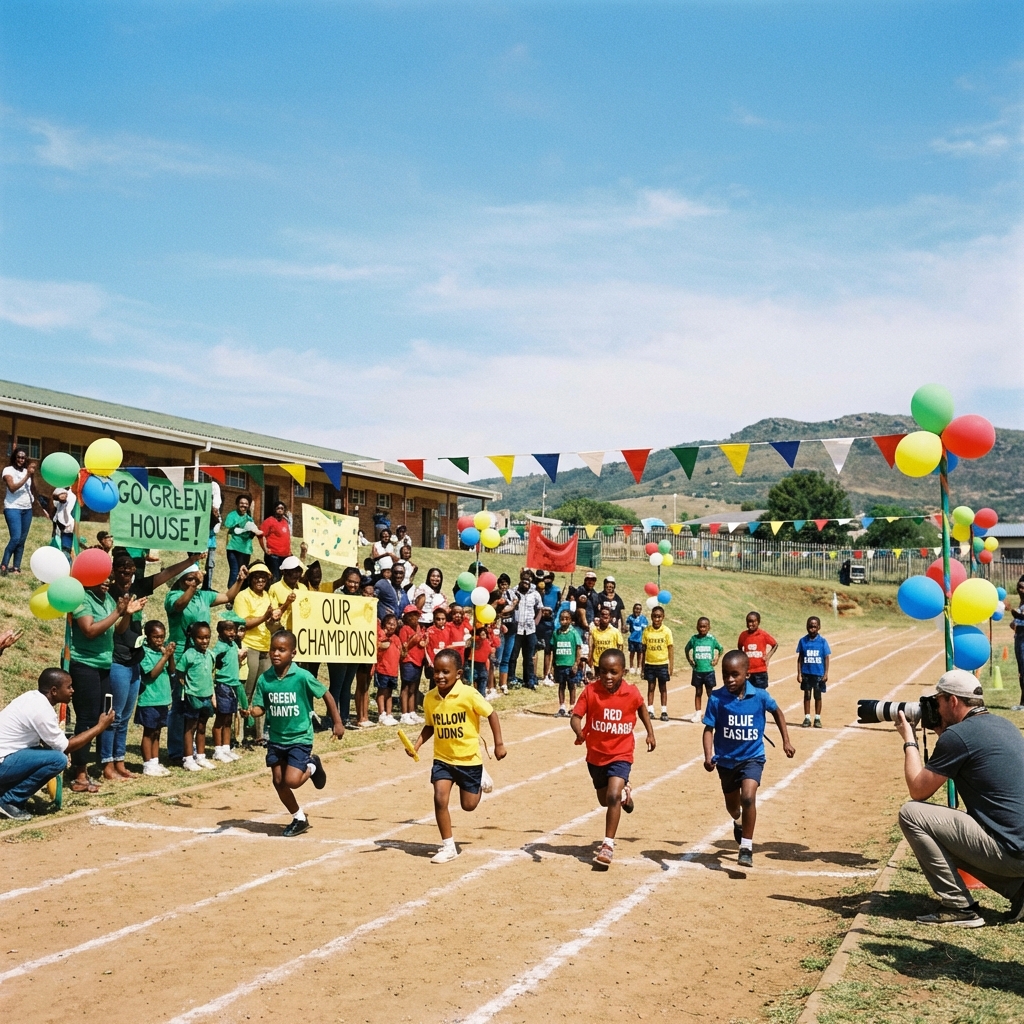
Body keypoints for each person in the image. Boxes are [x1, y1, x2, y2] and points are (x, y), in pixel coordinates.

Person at [895, 669, 1024, 927]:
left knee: (912, 814)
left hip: (1012, 853)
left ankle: (958, 907)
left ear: (953, 701)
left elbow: (918, 790)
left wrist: (909, 740)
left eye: (939, 701)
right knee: (962, 832)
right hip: (1018, 847)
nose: (935, 707)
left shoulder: (959, 737)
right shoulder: (1004, 724)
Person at [406, 648, 506, 864]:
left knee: (468, 805)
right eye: (436, 672)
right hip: (442, 759)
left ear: (458, 674)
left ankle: (479, 778)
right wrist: (417, 745)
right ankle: (448, 846)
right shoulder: (430, 698)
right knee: (439, 798)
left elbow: (491, 714)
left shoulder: (469, 694)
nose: (440, 676)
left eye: (445, 672)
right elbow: (430, 726)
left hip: (468, 760)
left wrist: (498, 744)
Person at [105, 549, 195, 781]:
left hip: (133, 660)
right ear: (114, 570)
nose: (127, 571)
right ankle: (107, 764)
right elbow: (118, 630)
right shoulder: (110, 592)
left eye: (131, 568)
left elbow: (165, 574)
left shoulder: (137, 589)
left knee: (124, 717)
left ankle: (120, 761)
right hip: (116, 660)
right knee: (112, 716)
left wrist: (190, 560)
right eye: (122, 567)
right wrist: (125, 612)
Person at [702, 650, 795, 868]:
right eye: (725, 675)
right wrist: (708, 756)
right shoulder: (717, 698)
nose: (729, 679)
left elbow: (778, 712)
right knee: (734, 808)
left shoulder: (760, 696)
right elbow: (708, 729)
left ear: (748, 674)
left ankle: (746, 847)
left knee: (748, 798)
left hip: (752, 757)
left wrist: (786, 741)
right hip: (725, 761)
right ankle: (738, 821)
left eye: (735, 674)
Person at [249, 629, 345, 837]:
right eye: (273, 649)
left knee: (292, 781)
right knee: (278, 781)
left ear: (293, 653)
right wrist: (251, 711)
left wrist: (337, 722)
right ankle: (299, 817)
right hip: (276, 738)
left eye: (282, 650)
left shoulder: (302, 676)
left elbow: (325, 694)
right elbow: (260, 708)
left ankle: (312, 764)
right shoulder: (265, 679)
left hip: (299, 737)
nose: (276, 653)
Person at [571, 648, 656, 869]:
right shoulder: (591, 691)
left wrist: (650, 732)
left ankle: (608, 845)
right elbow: (576, 716)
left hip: (621, 753)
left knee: (612, 795)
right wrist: (578, 730)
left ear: (623, 672)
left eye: (613, 672)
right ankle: (625, 796)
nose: (608, 677)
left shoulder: (632, 692)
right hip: (596, 755)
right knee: (604, 799)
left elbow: (642, 709)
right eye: (603, 672)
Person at [0, 668, 116, 820]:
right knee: (57, 759)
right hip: (4, 762)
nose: (72, 690)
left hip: (7, 757)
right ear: (54, 690)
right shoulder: (41, 710)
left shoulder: (32, 698)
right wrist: (100, 727)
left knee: (45, 753)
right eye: (69, 687)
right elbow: (65, 747)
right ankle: (9, 801)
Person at [69, 575, 145, 792]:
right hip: (85, 665)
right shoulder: (82, 599)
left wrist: (126, 615)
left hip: (104, 666)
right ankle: (80, 775)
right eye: (101, 577)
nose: (106, 582)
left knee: (101, 717)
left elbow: (118, 630)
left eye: (108, 578)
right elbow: (90, 631)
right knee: (87, 718)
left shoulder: (109, 600)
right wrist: (118, 612)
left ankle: (90, 769)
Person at [234, 563, 280, 736]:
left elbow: (272, 621)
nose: (260, 579)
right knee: (247, 690)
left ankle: (259, 734)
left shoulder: (268, 596)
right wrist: (264, 617)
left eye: (263, 576)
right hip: (249, 646)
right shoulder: (242, 596)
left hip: (266, 648)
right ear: (250, 579)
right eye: (256, 576)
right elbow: (243, 622)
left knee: (263, 691)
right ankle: (240, 734)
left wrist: (274, 620)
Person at [137, 621, 175, 776]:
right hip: (149, 699)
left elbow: (172, 671)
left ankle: (155, 761)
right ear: (148, 636)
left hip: (163, 698)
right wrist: (165, 657)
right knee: (149, 732)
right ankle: (147, 764)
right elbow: (152, 674)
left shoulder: (162, 651)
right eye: (156, 637)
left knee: (157, 732)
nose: (159, 640)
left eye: (162, 637)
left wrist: (169, 655)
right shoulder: (143, 652)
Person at [178, 622, 217, 771]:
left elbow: (210, 674)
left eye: (207, 637)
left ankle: (201, 757)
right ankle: (188, 759)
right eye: (200, 638)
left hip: (206, 696)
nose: (204, 641)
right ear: (194, 638)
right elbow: (180, 673)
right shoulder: (189, 654)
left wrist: (212, 695)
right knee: (190, 727)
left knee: (202, 726)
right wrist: (187, 689)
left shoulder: (210, 655)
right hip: (192, 696)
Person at [212, 615, 246, 762]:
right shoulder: (219, 647)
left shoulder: (233, 645)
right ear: (220, 631)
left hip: (233, 685)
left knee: (229, 718)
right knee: (221, 718)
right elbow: (213, 662)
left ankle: (226, 748)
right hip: (223, 686)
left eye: (233, 630)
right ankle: (217, 750)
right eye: (228, 630)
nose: (232, 633)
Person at [2, 445, 37, 574]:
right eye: (18, 457)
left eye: (23, 458)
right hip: (13, 508)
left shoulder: (26, 472)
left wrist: (32, 476)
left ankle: (16, 567)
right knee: (15, 538)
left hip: (27, 509)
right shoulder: (8, 470)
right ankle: (4, 565)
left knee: (22, 540)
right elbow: (12, 488)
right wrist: (28, 475)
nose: (21, 460)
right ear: (14, 457)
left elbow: (33, 490)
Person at [508, 569, 544, 689]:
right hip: (516, 629)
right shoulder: (513, 592)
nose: (525, 583)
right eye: (523, 580)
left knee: (529, 656)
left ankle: (529, 679)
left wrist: (536, 622)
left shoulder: (535, 593)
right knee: (513, 656)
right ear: (520, 579)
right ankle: (511, 678)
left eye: (528, 581)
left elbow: (540, 608)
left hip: (530, 630)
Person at [684, 616, 723, 720]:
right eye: (700, 627)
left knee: (710, 692)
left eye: (705, 627)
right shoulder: (694, 639)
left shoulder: (712, 639)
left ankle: (711, 712)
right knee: (698, 692)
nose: (702, 629)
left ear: (709, 627)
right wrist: (690, 660)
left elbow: (720, 648)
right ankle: (698, 713)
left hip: (709, 671)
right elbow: (686, 649)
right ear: (697, 627)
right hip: (697, 671)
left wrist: (716, 659)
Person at [796, 616, 831, 728]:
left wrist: (825, 673)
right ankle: (807, 717)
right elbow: (800, 658)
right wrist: (799, 673)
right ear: (807, 627)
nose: (812, 629)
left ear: (819, 627)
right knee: (807, 695)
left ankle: (817, 718)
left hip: (818, 674)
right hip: (806, 672)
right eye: (810, 626)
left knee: (817, 695)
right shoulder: (803, 641)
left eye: (814, 627)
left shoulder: (822, 642)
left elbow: (826, 658)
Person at [640, 605, 673, 722]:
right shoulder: (647, 631)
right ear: (651, 617)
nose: (657, 619)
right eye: (654, 616)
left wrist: (671, 666)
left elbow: (670, 649)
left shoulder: (667, 631)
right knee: (651, 687)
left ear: (663, 617)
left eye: (659, 617)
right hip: (650, 663)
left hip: (662, 663)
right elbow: (643, 650)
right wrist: (642, 667)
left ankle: (664, 711)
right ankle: (650, 710)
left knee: (662, 687)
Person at [223, 494, 261, 590]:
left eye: (246, 504)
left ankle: (240, 594)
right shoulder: (232, 515)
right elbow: (227, 526)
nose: (243, 505)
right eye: (241, 503)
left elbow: (251, 535)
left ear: (248, 505)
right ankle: (230, 597)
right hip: (233, 547)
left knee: (243, 572)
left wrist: (252, 533)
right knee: (235, 571)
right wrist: (242, 524)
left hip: (246, 549)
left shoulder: (249, 518)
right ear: (237, 504)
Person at [398, 607, 427, 726]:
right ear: (406, 617)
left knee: (414, 687)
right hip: (408, 661)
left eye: (415, 615)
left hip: (418, 661)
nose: (413, 618)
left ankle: (412, 711)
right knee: (406, 686)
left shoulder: (419, 627)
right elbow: (403, 648)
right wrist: (413, 641)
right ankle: (404, 713)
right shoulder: (404, 629)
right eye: (410, 616)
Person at [552, 608, 582, 717]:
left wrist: (576, 663)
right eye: (562, 619)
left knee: (571, 685)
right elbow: (553, 650)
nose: (564, 621)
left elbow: (578, 648)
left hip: (570, 664)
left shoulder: (574, 633)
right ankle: (562, 707)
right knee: (561, 685)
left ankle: (572, 706)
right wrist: (553, 664)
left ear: (570, 620)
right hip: (560, 664)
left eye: (566, 619)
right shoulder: (556, 633)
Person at [737, 611, 777, 689]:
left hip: (760, 671)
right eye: (748, 622)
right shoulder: (743, 635)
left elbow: (775, 644)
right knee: (748, 693)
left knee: (761, 693)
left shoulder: (763, 634)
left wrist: (768, 657)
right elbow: (739, 648)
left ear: (758, 622)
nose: (750, 624)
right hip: (748, 671)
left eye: (753, 622)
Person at [269, 555, 308, 633]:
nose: (296, 574)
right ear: (284, 572)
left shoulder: (303, 588)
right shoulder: (274, 588)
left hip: (301, 629)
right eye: (293, 571)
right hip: (282, 630)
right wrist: (287, 603)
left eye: (299, 571)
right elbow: (274, 616)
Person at [375, 612, 401, 726]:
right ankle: (382, 713)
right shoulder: (381, 635)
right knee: (382, 691)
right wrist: (383, 638)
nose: (391, 626)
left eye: (394, 624)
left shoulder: (396, 638)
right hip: (382, 669)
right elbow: (378, 644)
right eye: (389, 624)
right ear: (384, 624)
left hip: (393, 671)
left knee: (389, 692)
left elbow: (401, 652)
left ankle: (389, 713)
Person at [258, 501, 292, 580]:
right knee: (275, 578)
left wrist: (289, 551)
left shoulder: (285, 522)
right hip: (274, 556)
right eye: (278, 508)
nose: (280, 510)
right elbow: (261, 535)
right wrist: (265, 549)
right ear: (274, 510)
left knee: (285, 579)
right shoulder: (269, 521)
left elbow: (286, 538)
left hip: (286, 556)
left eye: (282, 508)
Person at [589, 606, 623, 674]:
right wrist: (590, 661)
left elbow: (620, 647)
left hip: (611, 663)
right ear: (599, 616)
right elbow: (591, 647)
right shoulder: (594, 631)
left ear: (610, 618)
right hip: (598, 663)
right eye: (603, 615)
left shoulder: (615, 631)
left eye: (607, 615)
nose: (605, 617)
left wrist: (619, 661)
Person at [1010, 575, 1024, 712]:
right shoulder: (1022, 601)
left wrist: (1014, 613)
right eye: (1018, 587)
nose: (1020, 589)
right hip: (1019, 636)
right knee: (1021, 671)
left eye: (1023, 587)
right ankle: (1022, 701)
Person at [51, 486, 76, 555]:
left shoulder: (72, 496)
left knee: (69, 549)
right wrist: (54, 530)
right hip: (62, 528)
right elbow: (56, 514)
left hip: (70, 527)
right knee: (63, 549)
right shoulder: (60, 490)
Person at [470, 625, 493, 698]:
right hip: (473, 663)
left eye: (483, 634)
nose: (482, 636)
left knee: (483, 679)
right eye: (480, 635)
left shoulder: (487, 643)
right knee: (473, 679)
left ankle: (482, 696)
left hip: (483, 664)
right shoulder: (474, 642)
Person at [625, 603, 648, 676]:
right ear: (633, 609)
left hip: (640, 639)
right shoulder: (630, 618)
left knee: (640, 653)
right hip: (632, 639)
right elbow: (627, 626)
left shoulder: (643, 619)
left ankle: (639, 667)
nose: (637, 610)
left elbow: (645, 629)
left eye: (639, 609)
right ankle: (631, 667)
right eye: (636, 609)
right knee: (632, 653)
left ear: (641, 610)